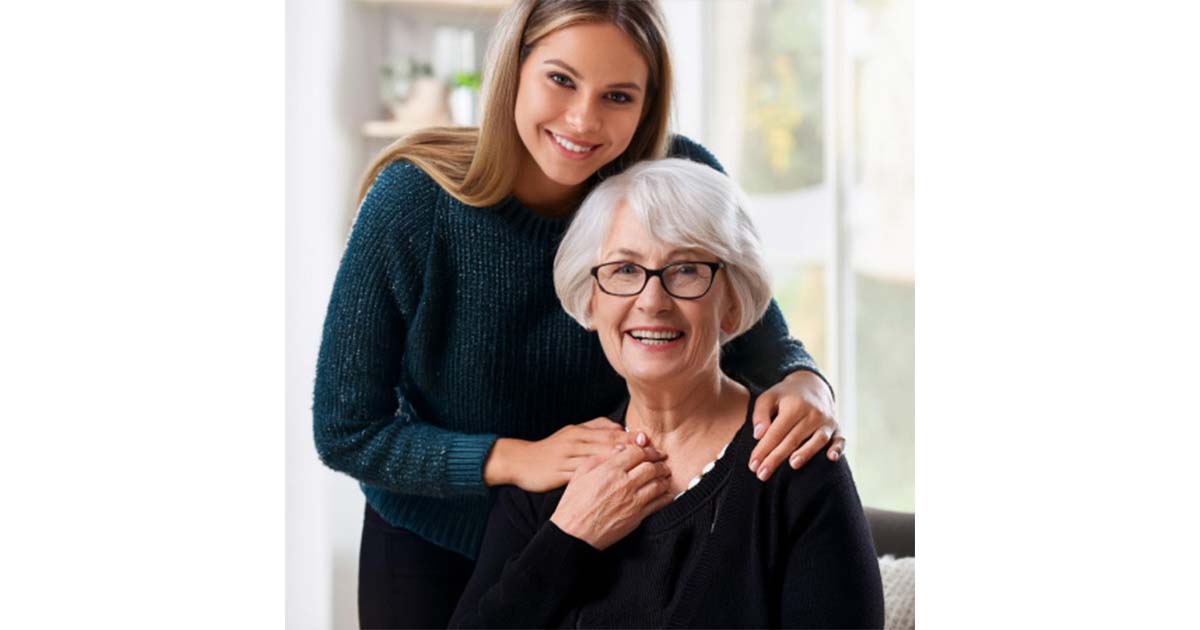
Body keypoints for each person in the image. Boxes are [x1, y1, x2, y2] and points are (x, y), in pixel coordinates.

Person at [313, 1, 844, 627]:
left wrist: (808, 380)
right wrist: (519, 457)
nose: (583, 119)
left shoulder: (673, 175)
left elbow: (753, 328)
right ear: (515, 68)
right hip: (431, 536)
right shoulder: (414, 203)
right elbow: (346, 428)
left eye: (618, 96)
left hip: (603, 521)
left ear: (648, 104)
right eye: (561, 80)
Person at [449, 158, 884, 629]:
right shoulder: (556, 473)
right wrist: (569, 537)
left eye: (686, 271)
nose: (652, 301)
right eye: (623, 269)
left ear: (733, 306)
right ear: (590, 300)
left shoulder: (796, 462)